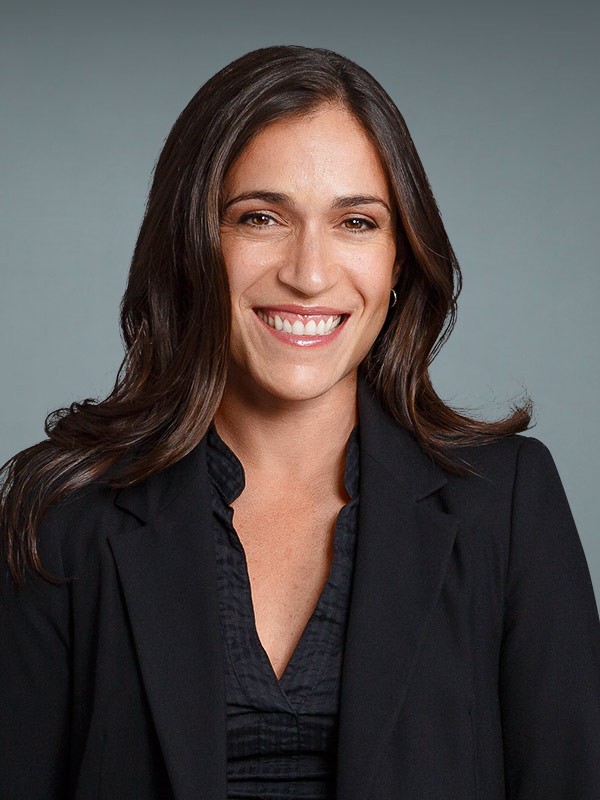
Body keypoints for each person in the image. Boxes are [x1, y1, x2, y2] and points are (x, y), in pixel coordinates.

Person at [1, 45, 599, 800]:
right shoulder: (64, 515)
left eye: (356, 222)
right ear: (191, 244)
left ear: (399, 261)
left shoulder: (507, 503)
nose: (309, 273)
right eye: (261, 217)